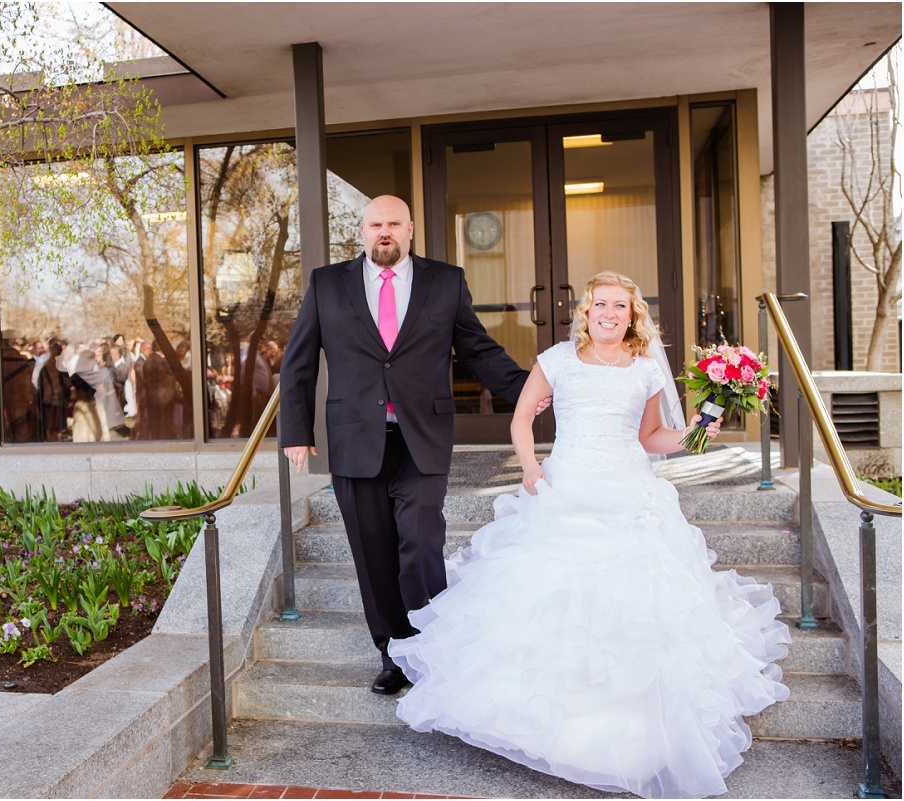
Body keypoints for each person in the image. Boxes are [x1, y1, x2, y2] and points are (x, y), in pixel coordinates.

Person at [388, 272, 790, 799]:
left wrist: (696, 433)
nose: (608, 313)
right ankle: (542, 724)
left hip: (630, 496)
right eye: (600, 304)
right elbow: (521, 418)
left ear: (632, 315)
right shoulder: (558, 359)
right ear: (587, 310)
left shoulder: (646, 370)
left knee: (632, 613)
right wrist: (530, 466)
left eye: (619, 306)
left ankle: (622, 736)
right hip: (567, 488)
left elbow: (652, 438)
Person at [278, 194, 546, 696]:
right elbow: (297, 363)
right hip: (354, 439)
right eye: (376, 223)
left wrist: (530, 390)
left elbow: (477, 348)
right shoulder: (326, 284)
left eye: (394, 223)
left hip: (420, 438)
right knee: (372, 551)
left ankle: (431, 644)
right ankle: (393, 653)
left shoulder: (445, 282)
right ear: (362, 231)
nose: (385, 231)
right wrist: (295, 432)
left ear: (411, 229)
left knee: (420, 545)